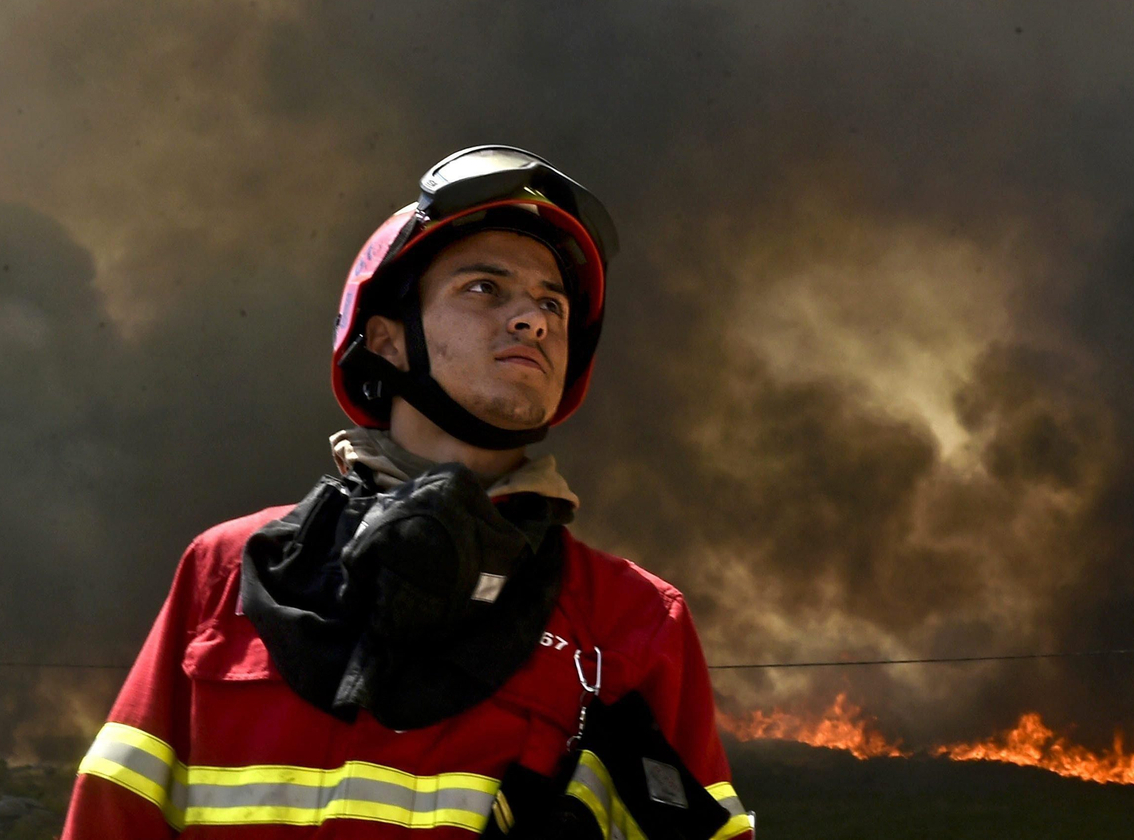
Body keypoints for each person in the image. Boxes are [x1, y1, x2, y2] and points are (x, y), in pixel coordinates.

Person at [63, 146, 753, 840]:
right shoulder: (227, 572)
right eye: (485, 287)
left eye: (553, 303)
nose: (534, 320)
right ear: (387, 340)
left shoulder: (631, 625)